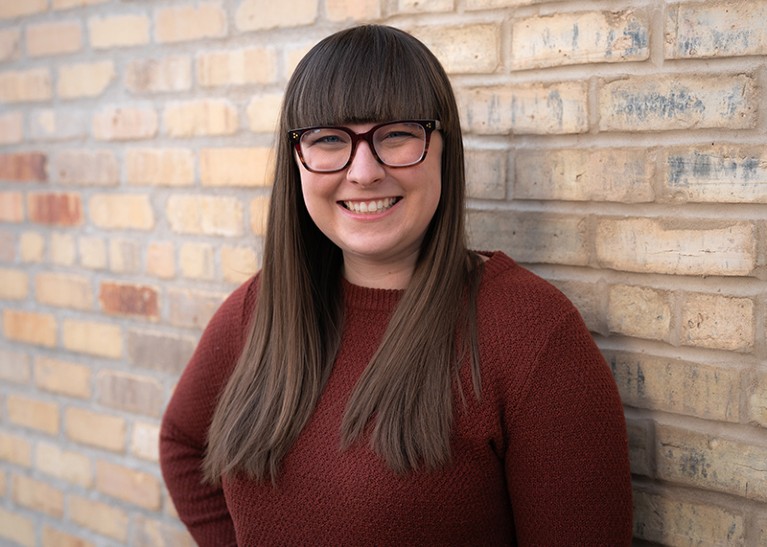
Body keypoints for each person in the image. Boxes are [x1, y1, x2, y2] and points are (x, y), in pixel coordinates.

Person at [159, 24, 633, 546]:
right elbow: (182, 442)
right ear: (296, 159)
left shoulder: (531, 334)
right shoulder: (264, 307)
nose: (363, 172)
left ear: (443, 148)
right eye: (329, 139)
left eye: (397, 135)